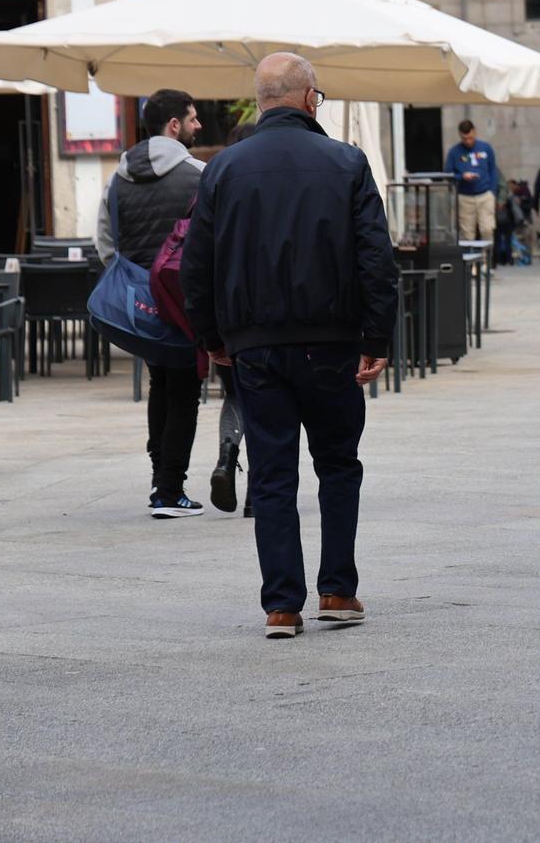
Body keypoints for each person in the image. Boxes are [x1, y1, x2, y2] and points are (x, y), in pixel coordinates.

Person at [182, 53, 398, 639]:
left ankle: (281, 606)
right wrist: (376, 336)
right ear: (309, 99)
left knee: (272, 475)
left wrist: (211, 337)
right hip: (330, 341)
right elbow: (375, 257)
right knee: (338, 466)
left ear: (262, 101)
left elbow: (194, 266)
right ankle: (337, 590)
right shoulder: (345, 162)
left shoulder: (222, 169)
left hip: (255, 346)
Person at [96, 87, 206, 520]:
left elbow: (105, 242)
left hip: (136, 302)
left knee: (161, 383)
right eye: (194, 119)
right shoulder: (199, 173)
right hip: (181, 298)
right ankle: (169, 490)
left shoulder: (117, 176)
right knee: (184, 389)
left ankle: (160, 476)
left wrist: (132, 283)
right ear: (174, 125)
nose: (199, 126)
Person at [207, 120, 257, 517]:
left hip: (227, 315)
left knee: (235, 394)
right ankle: (260, 487)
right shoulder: (264, 183)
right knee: (270, 402)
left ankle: (227, 456)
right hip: (264, 314)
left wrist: (208, 332)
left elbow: (196, 261)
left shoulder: (215, 178)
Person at [446, 119, 501, 245]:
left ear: (474, 132)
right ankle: (470, 263)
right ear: (460, 135)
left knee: (487, 229)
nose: (468, 141)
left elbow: (493, 170)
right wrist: (462, 176)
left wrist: (492, 192)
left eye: (470, 137)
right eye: (464, 138)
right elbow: (448, 174)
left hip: (485, 194)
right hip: (465, 197)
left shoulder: (486, 148)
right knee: (467, 233)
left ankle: (487, 261)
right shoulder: (454, 152)